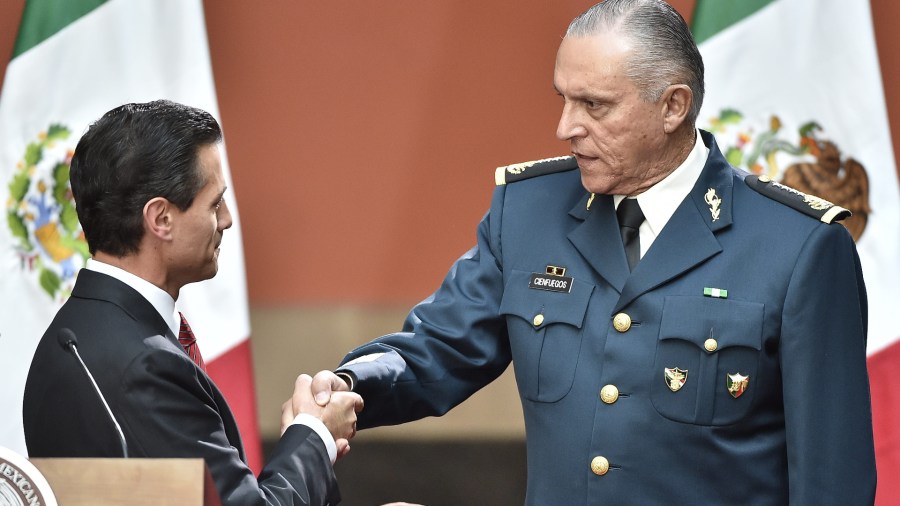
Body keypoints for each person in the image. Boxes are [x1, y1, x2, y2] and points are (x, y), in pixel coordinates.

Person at [310, 0, 877, 503]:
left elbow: (832, 481)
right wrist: (349, 385)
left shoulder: (799, 246)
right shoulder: (528, 212)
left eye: (594, 105)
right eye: (563, 99)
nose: (565, 127)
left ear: (674, 106)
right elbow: (438, 349)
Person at [23, 100, 364, 506]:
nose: (227, 219)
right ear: (161, 219)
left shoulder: (84, 331)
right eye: (214, 203)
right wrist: (315, 433)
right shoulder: (143, 366)